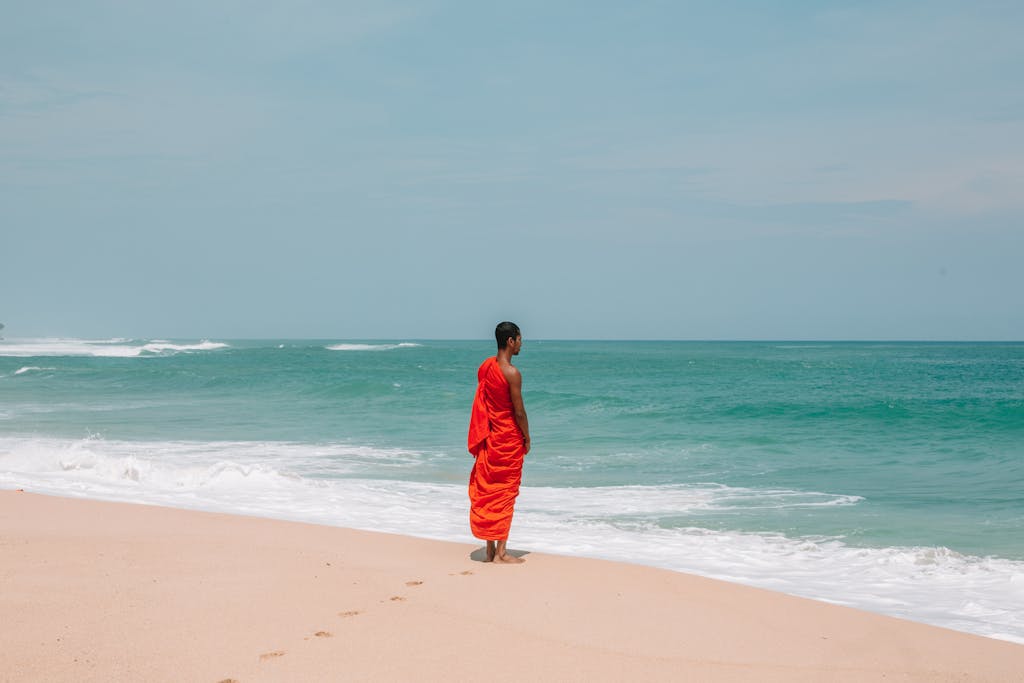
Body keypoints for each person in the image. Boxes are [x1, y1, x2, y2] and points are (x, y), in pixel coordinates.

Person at [467, 321, 531, 563]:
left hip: (490, 437)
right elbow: (519, 412)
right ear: (510, 341)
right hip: (508, 439)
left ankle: (491, 549)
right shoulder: (512, 373)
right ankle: (502, 553)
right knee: (505, 493)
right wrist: (527, 436)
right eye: (519, 339)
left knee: (489, 490)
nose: (521, 344)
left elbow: (486, 401)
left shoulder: (486, 367)